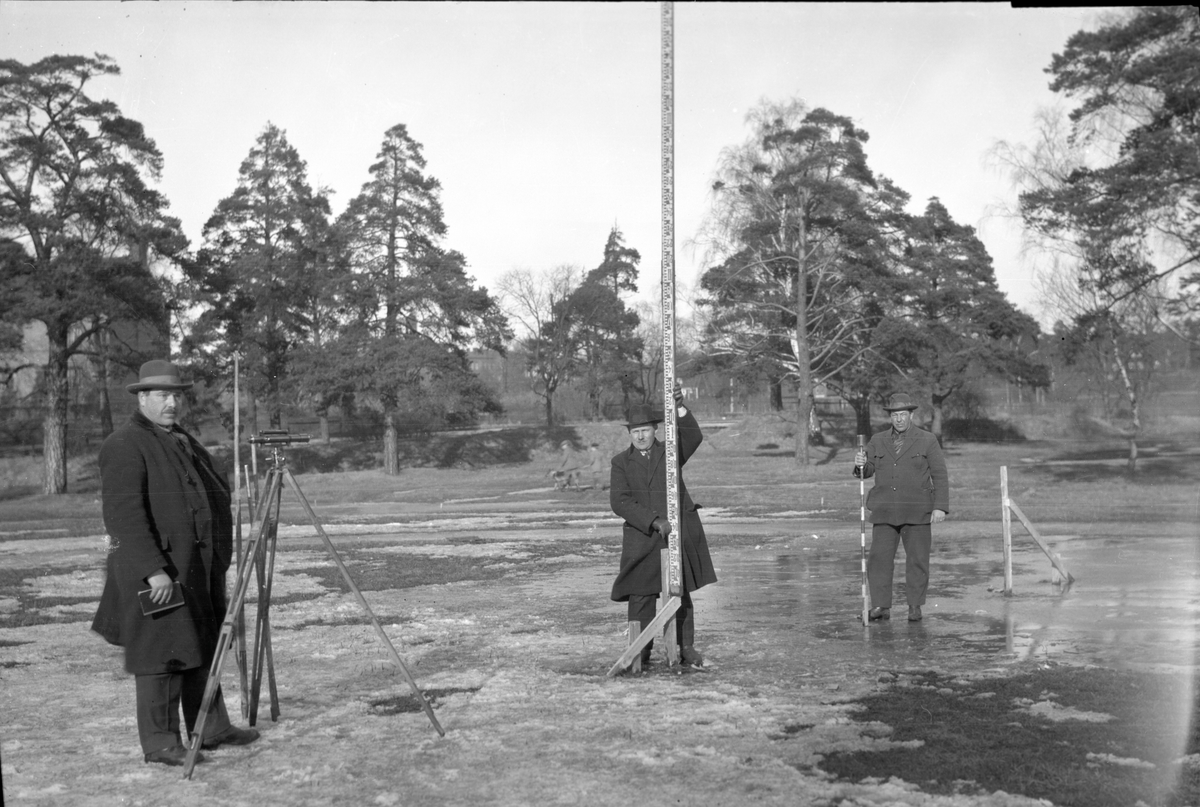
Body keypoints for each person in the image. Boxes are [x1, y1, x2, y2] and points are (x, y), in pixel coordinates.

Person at [91, 360, 260, 766]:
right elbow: (123, 517)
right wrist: (153, 570)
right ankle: (160, 743)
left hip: (194, 566)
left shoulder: (182, 440)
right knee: (160, 655)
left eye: (176, 396)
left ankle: (211, 728)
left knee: (201, 645)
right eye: (162, 395)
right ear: (142, 398)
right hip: (156, 571)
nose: (171, 403)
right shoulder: (124, 444)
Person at [610, 385, 717, 669]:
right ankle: (640, 649)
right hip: (642, 536)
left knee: (680, 591)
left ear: (655, 429)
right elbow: (620, 501)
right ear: (629, 433)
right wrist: (652, 521)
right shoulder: (620, 463)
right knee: (641, 595)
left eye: (645, 430)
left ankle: (686, 647)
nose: (641, 436)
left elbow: (693, 436)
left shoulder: (670, 451)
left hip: (676, 534)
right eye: (635, 431)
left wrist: (680, 408)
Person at [853, 392, 950, 623]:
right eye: (895, 415)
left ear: (911, 415)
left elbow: (940, 475)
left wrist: (940, 507)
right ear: (890, 417)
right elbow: (867, 471)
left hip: (917, 511)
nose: (898, 419)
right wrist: (860, 465)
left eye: (903, 415)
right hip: (885, 510)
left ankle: (915, 606)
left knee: (917, 560)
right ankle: (880, 606)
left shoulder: (927, 439)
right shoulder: (878, 440)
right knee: (879, 559)